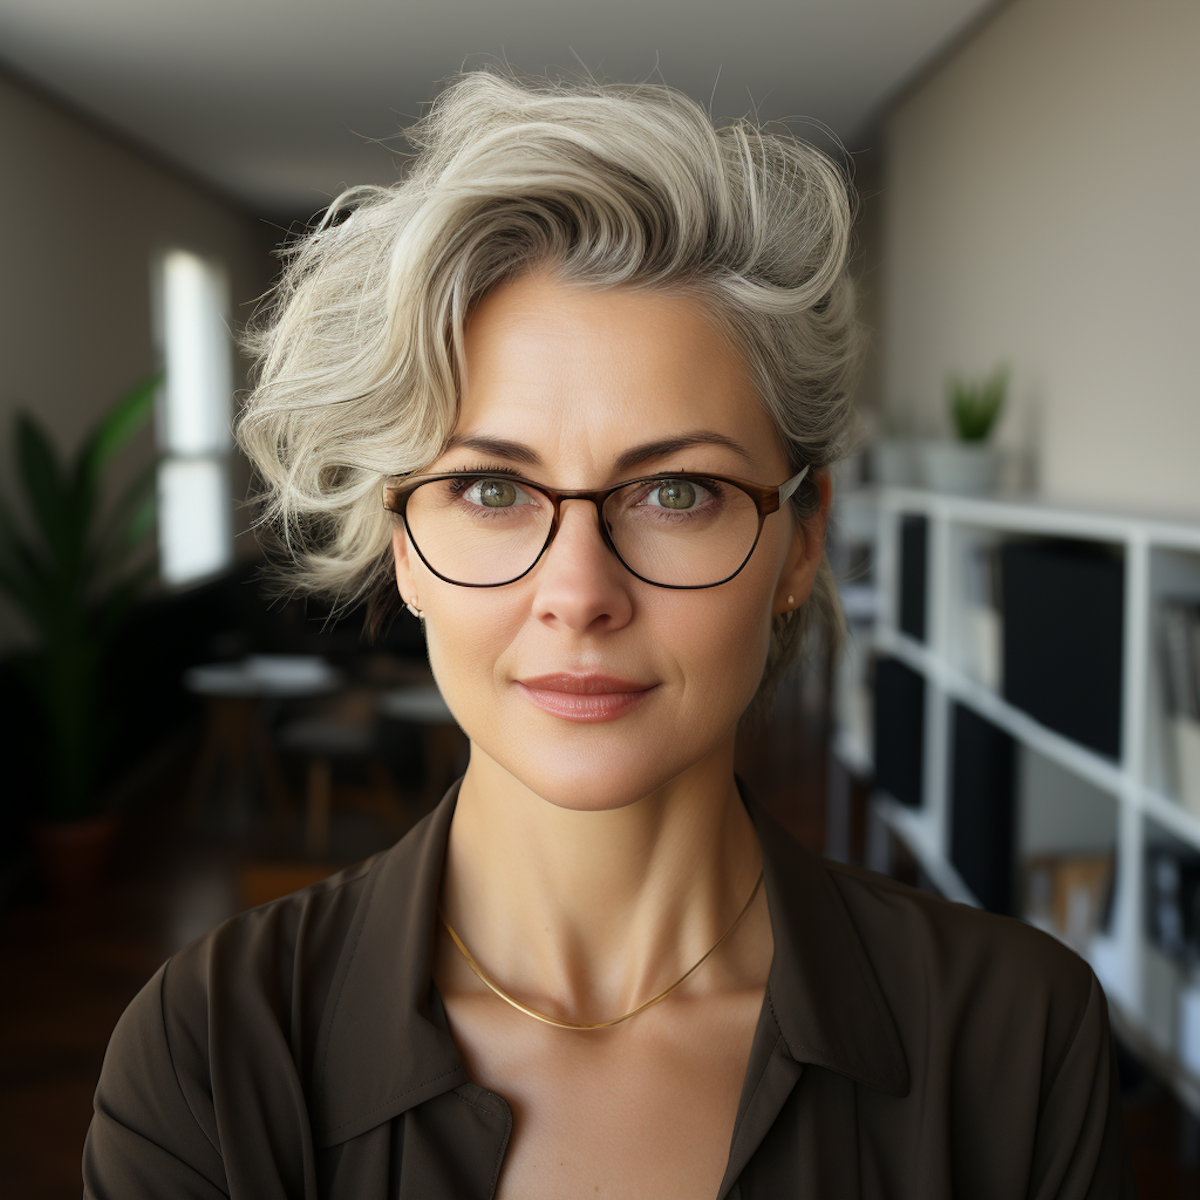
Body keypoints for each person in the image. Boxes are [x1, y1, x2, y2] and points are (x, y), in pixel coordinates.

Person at [83, 70, 1135, 1198]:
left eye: (676, 491)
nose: (578, 593)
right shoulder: (209, 1055)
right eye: (490, 490)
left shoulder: (1019, 1037)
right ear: (400, 544)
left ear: (801, 541)